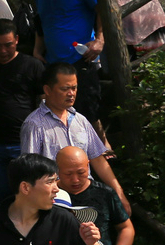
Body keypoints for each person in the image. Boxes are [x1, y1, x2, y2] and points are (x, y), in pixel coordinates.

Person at [10, 0, 105, 126]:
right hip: (53, 62)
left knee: (90, 115)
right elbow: (43, 21)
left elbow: (102, 9)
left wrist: (100, 39)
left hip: (80, 57)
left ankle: (103, 150)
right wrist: (38, 49)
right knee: (60, 116)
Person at [20, 62, 128, 213]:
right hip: (55, 201)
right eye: (65, 89)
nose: (71, 93)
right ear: (47, 90)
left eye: (74, 88)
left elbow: (97, 158)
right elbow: (29, 169)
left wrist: (119, 192)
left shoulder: (80, 120)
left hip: (88, 196)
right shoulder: (34, 125)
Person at [0, 19, 44, 204]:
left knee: (26, 194)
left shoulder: (32, 66)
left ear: (17, 40)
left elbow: (45, 101)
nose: (2, 51)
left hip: (24, 143)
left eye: (8, 45)